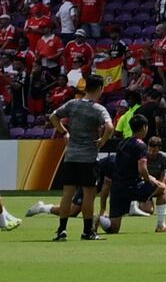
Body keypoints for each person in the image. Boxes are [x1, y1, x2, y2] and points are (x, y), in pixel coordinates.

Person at [49, 87, 116, 240]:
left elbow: (53, 116)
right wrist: (103, 140)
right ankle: (87, 231)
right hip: (88, 158)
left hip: (71, 156)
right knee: (89, 194)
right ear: (99, 89)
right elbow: (110, 127)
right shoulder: (98, 109)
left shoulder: (72, 104)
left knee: (67, 194)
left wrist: (64, 131)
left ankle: (62, 231)